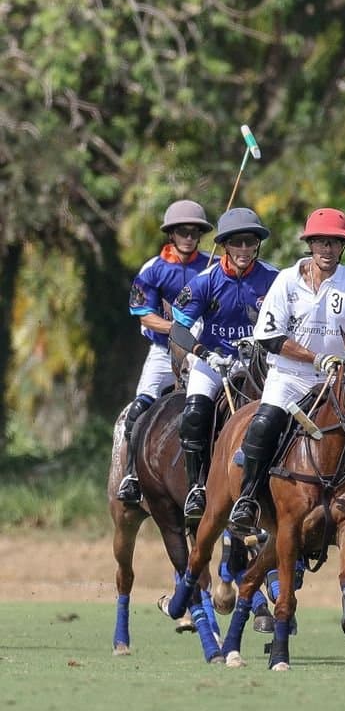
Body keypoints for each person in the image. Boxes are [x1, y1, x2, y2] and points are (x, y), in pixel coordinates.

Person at [227, 207, 345, 544]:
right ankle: (247, 502)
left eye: (334, 242)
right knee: (263, 424)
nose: (327, 249)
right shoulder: (286, 281)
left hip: (340, 380)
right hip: (290, 375)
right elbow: (271, 338)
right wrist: (318, 358)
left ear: (342, 247)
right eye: (320, 242)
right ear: (310, 244)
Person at [168, 208, 279, 524]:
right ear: (225, 245)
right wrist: (204, 352)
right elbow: (178, 328)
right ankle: (196, 487)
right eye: (237, 242)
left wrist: (265, 343)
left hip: (260, 361)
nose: (244, 249)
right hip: (215, 360)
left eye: (250, 242)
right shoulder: (206, 282)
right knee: (194, 412)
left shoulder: (274, 279)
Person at [116, 200, 214, 504]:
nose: (188, 237)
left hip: (205, 352)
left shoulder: (213, 265)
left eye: (194, 232)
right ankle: (132, 476)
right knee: (139, 407)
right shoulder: (153, 269)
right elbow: (144, 314)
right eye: (182, 231)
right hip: (163, 352)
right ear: (171, 234)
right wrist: (175, 330)